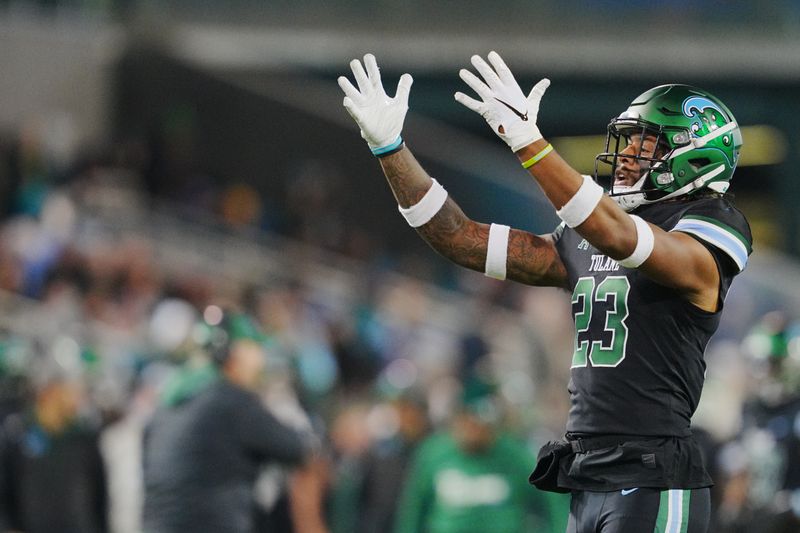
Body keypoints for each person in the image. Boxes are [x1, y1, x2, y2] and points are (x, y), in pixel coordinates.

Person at [338, 51, 752, 533]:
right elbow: (460, 239)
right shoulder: (585, 233)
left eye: (644, 146)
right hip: (588, 470)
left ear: (694, 155)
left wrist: (528, 142)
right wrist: (391, 149)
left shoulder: (711, 225)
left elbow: (625, 241)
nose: (625, 155)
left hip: (655, 472)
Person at [142, 310, 320, 533]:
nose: (260, 359)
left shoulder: (168, 401)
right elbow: (300, 449)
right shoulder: (231, 400)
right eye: (253, 347)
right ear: (235, 352)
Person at [394, 377, 567, 533]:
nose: (474, 429)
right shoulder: (434, 454)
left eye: (481, 422)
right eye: (469, 419)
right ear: (458, 418)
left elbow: (554, 503)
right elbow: (413, 513)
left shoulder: (515, 456)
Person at [0, 357, 108, 533]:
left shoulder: (84, 437)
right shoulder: (17, 434)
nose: (76, 397)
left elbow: (99, 493)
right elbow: (5, 490)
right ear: (50, 391)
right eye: (69, 389)